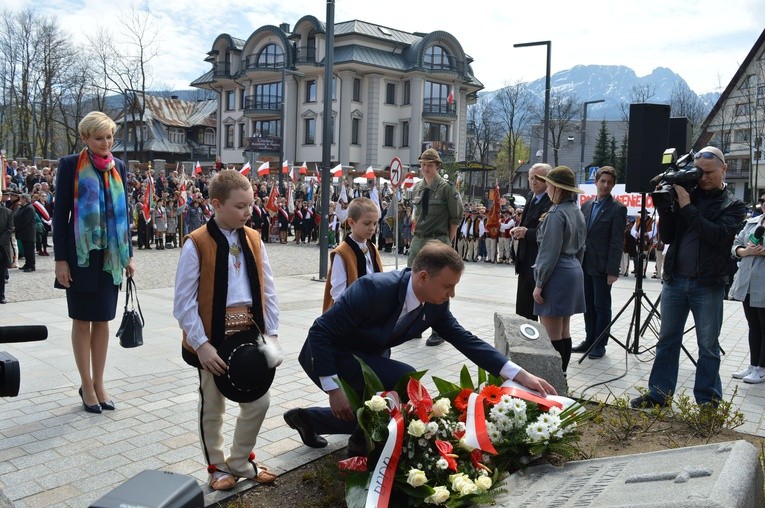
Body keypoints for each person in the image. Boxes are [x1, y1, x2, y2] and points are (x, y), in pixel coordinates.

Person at [285, 241, 557, 454]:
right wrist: (334, 389)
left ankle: (311, 421)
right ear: (423, 277)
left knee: (381, 411)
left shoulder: (436, 304)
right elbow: (320, 332)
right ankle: (363, 446)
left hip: (367, 357)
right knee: (404, 380)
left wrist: (518, 374)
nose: (451, 294)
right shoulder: (372, 289)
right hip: (327, 355)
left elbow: (465, 339)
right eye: (448, 286)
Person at [173, 170, 280, 490]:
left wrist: (271, 336)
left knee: (259, 402)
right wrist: (202, 344)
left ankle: (240, 460)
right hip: (211, 338)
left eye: (250, 204)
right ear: (216, 205)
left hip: (250, 332)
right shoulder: (197, 243)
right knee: (213, 403)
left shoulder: (255, 239)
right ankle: (217, 467)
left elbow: (268, 290)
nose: (249, 211)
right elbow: (183, 302)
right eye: (240, 206)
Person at [631, 146, 746, 408]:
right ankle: (659, 395)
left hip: (708, 284)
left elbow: (717, 236)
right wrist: (667, 208)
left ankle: (708, 402)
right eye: (698, 172)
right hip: (675, 280)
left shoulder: (733, 205)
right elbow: (669, 237)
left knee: (707, 346)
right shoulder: (687, 195)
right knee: (667, 341)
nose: (702, 178)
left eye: (708, 172)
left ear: (724, 169)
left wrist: (686, 206)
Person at [53, 111, 136, 413]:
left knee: (103, 319)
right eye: (99, 137)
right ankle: (86, 385)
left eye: (109, 137)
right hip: (80, 254)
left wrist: (128, 255)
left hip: (111, 256)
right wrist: (61, 260)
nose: (105, 142)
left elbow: (123, 213)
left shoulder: (120, 167)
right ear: (85, 138)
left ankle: (100, 383)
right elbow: (60, 215)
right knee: (82, 320)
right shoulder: (70, 165)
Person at [532, 166, 587, 374]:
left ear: (557, 189)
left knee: (551, 333)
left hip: (556, 272)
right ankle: (562, 373)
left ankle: (555, 375)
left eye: (549, 186)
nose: (547, 190)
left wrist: (539, 284)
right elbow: (582, 247)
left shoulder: (556, 214)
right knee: (564, 329)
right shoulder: (576, 211)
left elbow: (549, 252)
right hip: (573, 269)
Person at [408, 148, 462, 346]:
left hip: (438, 239)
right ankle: (414, 325)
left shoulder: (447, 188)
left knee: (439, 285)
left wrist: (447, 241)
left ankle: (438, 330)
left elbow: (455, 217)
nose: (425, 168)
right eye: (422, 164)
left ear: (437, 166)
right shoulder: (418, 187)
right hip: (418, 239)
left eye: (429, 165)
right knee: (413, 282)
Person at [573, 166, 627, 359]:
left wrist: (613, 270)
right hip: (584, 263)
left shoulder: (617, 209)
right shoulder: (586, 205)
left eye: (609, 182)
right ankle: (589, 339)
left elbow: (616, 242)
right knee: (587, 304)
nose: (605, 185)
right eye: (602, 181)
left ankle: (600, 344)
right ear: (595, 182)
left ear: (613, 185)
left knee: (602, 305)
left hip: (603, 266)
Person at [322, 197, 382, 312]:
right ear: (351, 222)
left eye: (375, 224)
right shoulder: (342, 253)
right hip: (350, 313)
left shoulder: (372, 248)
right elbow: (338, 292)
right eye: (367, 223)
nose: (372, 228)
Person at [511, 163, 552, 321]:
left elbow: (548, 234)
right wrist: (519, 231)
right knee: (523, 311)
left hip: (538, 263)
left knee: (541, 312)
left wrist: (527, 233)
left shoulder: (550, 200)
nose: (534, 181)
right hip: (524, 262)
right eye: (531, 178)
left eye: (538, 178)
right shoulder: (531, 197)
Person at [728, 211, 765, 383]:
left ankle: (762, 368)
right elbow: (735, 245)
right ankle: (753, 364)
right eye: (763, 200)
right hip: (748, 281)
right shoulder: (752, 222)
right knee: (753, 325)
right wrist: (745, 251)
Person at [13, 193, 36, 272]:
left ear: (25, 199)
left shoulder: (29, 208)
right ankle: (27, 263)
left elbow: (25, 221)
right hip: (24, 233)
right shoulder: (24, 207)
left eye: (21, 199)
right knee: (26, 250)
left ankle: (31, 265)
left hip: (28, 233)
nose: (20, 200)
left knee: (29, 250)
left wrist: (16, 227)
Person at [0, 190, 12, 303]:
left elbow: (9, 229)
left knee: (1, 273)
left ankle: (1, 296)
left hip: (2, 248)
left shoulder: (7, 212)